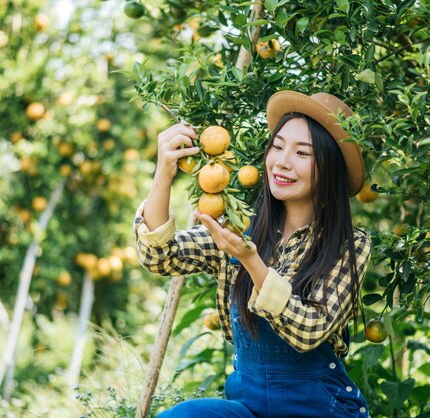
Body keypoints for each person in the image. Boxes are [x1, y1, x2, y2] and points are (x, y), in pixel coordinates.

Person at [133, 90, 373, 417]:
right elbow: (160, 256)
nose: (282, 162)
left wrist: (250, 260)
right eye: (277, 146)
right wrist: (164, 170)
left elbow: (310, 330)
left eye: (302, 153)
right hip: (249, 409)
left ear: (328, 167)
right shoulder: (240, 228)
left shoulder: (348, 245)